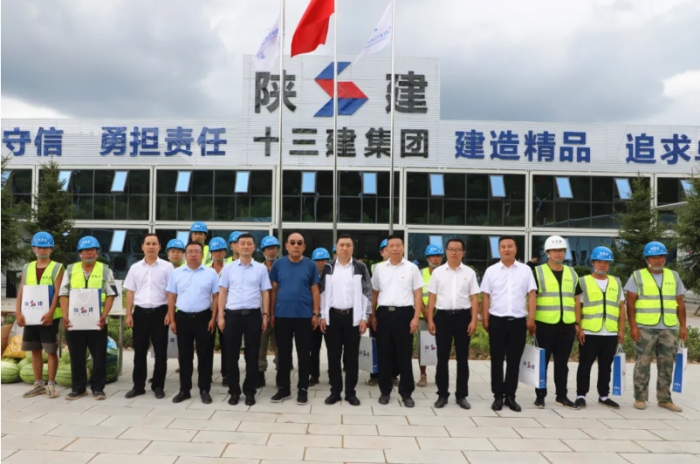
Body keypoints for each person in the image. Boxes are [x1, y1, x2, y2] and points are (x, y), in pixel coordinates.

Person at [626, 241, 688, 412]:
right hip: (645, 327)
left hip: (668, 327)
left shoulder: (674, 276)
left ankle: (664, 399)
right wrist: (633, 326)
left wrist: (683, 326)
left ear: (665, 258)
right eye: (653, 257)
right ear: (647, 259)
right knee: (643, 362)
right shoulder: (637, 276)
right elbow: (630, 303)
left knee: (667, 363)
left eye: (660, 257)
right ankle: (640, 397)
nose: (657, 260)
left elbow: (680, 303)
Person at [481, 236, 537, 412]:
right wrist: (485, 318)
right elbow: (485, 295)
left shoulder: (525, 270)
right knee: (497, 360)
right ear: (499, 250)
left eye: (510, 246)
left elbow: (532, 294)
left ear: (516, 249)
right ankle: (498, 396)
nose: (506, 249)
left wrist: (531, 318)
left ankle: (511, 396)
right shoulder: (491, 271)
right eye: (503, 247)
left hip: (518, 322)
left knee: (514, 361)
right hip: (497, 320)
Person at [58, 236, 117, 401]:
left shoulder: (105, 270)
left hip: (97, 321)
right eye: (85, 250)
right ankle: (78, 388)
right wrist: (65, 315)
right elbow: (63, 294)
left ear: (97, 253)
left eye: (92, 250)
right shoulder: (70, 270)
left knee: (99, 356)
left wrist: (105, 315)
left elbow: (111, 294)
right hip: (74, 321)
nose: (89, 253)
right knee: (76, 356)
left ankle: (98, 388)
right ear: (80, 253)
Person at [370, 234, 424, 408]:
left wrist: (416, 317)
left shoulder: (411, 268)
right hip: (384, 314)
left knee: (404, 355)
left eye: (397, 245)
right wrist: (372, 315)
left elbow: (417, 294)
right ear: (386, 249)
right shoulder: (379, 269)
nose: (394, 248)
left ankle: (406, 393)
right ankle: (385, 391)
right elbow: (374, 293)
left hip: (404, 314)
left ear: (403, 247)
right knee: (383, 354)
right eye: (391, 246)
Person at [218, 233, 272, 406]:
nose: (246, 246)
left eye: (249, 243)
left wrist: (265, 315)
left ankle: (250, 391)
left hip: (253, 316)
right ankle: (234, 391)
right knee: (231, 356)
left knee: (252, 355)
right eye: (242, 243)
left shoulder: (260, 269)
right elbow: (223, 292)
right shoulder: (228, 268)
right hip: (232, 315)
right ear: (236, 246)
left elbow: (265, 292)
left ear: (254, 247)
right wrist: (220, 315)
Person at [426, 238, 479, 409]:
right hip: (443, 317)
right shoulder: (438, 273)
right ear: (446, 251)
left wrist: (473, 320)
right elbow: (432, 297)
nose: (454, 252)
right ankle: (442, 394)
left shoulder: (469, 273)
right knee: (442, 357)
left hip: (463, 317)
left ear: (463, 252)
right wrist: (430, 319)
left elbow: (474, 298)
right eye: (451, 249)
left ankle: (461, 395)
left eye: (457, 249)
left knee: (462, 358)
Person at [319, 235, 371, 406]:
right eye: (342, 245)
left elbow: (367, 293)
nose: (345, 248)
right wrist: (322, 315)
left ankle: (350, 392)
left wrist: (365, 317)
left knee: (351, 358)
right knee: (333, 356)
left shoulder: (360, 267)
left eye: (348, 245)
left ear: (352, 248)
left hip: (352, 318)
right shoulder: (328, 267)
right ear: (336, 247)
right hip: (332, 317)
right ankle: (335, 392)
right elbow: (322, 293)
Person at [269, 232, 320, 405]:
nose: (296, 245)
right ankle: (284, 388)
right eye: (292, 242)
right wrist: (271, 313)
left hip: (304, 317)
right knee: (283, 355)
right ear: (286, 245)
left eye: (299, 243)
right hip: (282, 316)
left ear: (304, 247)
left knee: (304, 354)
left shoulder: (310, 265)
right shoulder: (278, 264)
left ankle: (303, 389)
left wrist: (316, 313)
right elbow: (273, 290)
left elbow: (315, 291)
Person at [532, 235, 582, 410]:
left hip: (566, 325)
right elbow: (532, 298)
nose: (558, 253)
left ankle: (562, 396)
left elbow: (577, 300)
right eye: (554, 250)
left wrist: (577, 323)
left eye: (561, 250)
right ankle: (540, 396)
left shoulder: (572, 273)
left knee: (562, 363)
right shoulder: (537, 272)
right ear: (547, 252)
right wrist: (530, 320)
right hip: (544, 324)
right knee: (542, 363)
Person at [167, 241, 219, 404]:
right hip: (182, 318)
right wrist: (172, 319)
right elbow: (171, 296)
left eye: (197, 251)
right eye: (190, 252)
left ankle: (204, 390)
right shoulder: (177, 273)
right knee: (185, 355)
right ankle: (185, 390)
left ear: (202, 254)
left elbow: (216, 297)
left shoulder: (211, 273)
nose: (193, 254)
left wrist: (214, 318)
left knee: (205, 355)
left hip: (204, 318)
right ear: (185, 254)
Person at [123, 234, 173, 400]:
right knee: (139, 352)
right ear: (142, 247)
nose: (151, 246)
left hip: (160, 313)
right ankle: (138, 386)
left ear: (159, 246)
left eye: (154, 244)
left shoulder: (167, 267)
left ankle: (158, 386)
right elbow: (130, 292)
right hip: (140, 314)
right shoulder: (135, 268)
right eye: (148, 244)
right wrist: (128, 313)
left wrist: (169, 313)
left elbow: (171, 292)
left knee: (160, 352)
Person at [16, 232, 65, 399]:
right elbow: (21, 291)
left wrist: (51, 312)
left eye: (45, 247)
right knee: (35, 350)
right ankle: (38, 384)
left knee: (50, 350)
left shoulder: (57, 267)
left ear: (51, 249)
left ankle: (50, 384)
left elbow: (58, 292)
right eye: (39, 247)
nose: (42, 250)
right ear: (33, 249)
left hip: (48, 317)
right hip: (30, 315)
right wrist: (18, 312)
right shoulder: (27, 267)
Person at [575, 246, 625, 409]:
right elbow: (577, 305)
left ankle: (604, 395)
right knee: (585, 365)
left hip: (609, 332)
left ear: (610, 264)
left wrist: (621, 330)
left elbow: (621, 307)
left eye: (606, 262)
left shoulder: (616, 282)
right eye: (599, 261)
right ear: (593, 263)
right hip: (589, 331)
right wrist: (579, 327)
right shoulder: (583, 281)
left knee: (606, 366)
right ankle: (581, 395)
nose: (602, 265)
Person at [368, 239, 399, 388]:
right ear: (382, 252)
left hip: (397, 312)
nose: (391, 250)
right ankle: (375, 374)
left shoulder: (404, 267)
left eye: (394, 247)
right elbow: (371, 292)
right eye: (387, 248)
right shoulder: (375, 268)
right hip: (380, 312)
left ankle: (393, 374)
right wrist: (371, 314)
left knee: (395, 346)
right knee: (377, 345)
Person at [417, 244, 443, 388]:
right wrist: (428, 316)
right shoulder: (420, 274)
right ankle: (423, 374)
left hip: (441, 314)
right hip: (424, 314)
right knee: (423, 346)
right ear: (427, 258)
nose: (435, 259)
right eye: (432, 256)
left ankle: (440, 374)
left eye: (438, 256)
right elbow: (418, 296)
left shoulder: (446, 273)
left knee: (441, 345)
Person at [258, 235, 281, 387]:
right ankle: (260, 373)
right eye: (268, 248)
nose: (271, 251)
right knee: (261, 345)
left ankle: (281, 374)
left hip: (280, 312)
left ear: (278, 250)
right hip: (262, 313)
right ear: (263, 251)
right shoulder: (258, 269)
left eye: (273, 248)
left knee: (281, 346)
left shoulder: (284, 267)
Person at [207, 237, 228, 386]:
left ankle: (226, 374)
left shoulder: (231, 268)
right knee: (206, 345)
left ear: (225, 252)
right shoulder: (205, 270)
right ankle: (206, 374)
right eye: (214, 251)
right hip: (208, 311)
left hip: (227, 312)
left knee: (227, 345)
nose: (217, 253)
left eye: (220, 250)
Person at [310, 247, 331, 386]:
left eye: (323, 260)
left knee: (332, 348)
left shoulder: (333, 275)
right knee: (313, 348)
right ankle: (314, 375)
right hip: (314, 316)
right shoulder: (310, 276)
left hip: (329, 317)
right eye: (317, 260)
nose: (321, 263)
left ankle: (333, 374)